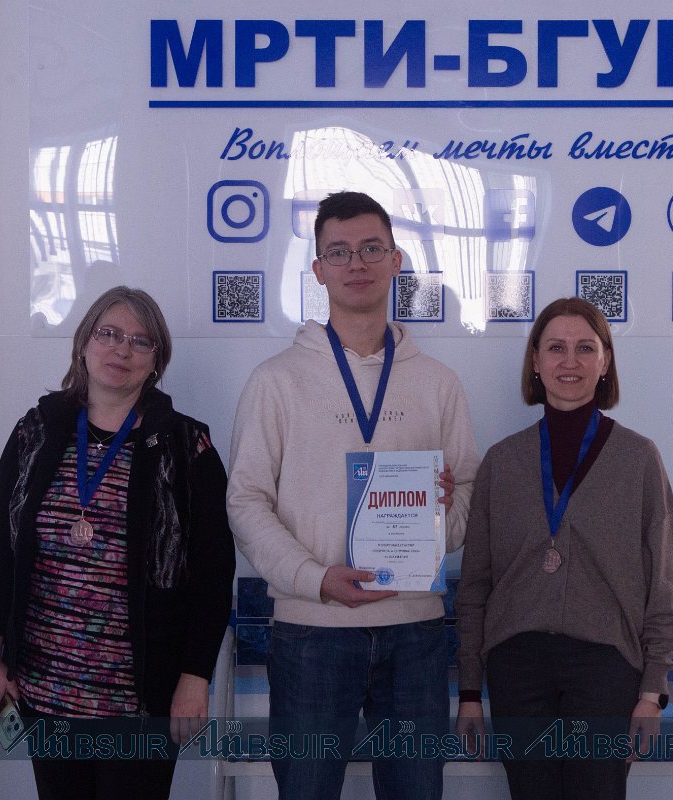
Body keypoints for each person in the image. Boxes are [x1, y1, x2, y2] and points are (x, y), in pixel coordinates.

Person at [226, 191, 480, 800]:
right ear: (318, 270)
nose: (356, 263)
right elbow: (246, 501)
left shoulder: (438, 383)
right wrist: (315, 579)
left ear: (396, 260)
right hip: (311, 632)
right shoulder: (276, 381)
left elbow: (468, 493)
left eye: (371, 248)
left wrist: (442, 516)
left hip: (416, 632)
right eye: (338, 252)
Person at [0, 286, 235, 799]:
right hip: (45, 691)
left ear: (156, 360)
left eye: (141, 341)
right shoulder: (35, 433)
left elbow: (213, 575)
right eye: (109, 334)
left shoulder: (187, 446)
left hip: (141, 701)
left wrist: (195, 676)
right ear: (84, 343)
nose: (122, 350)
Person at [455, 297, 673, 800]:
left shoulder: (639, 459)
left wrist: (652, 691)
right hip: (517, 664)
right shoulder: (502, 462)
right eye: (556, 348)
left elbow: (664, 583)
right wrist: (470, 691)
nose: (570, 361)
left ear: (605, 362)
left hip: (605, 665)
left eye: (585, 348)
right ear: (535, 361)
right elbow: (474, 587)